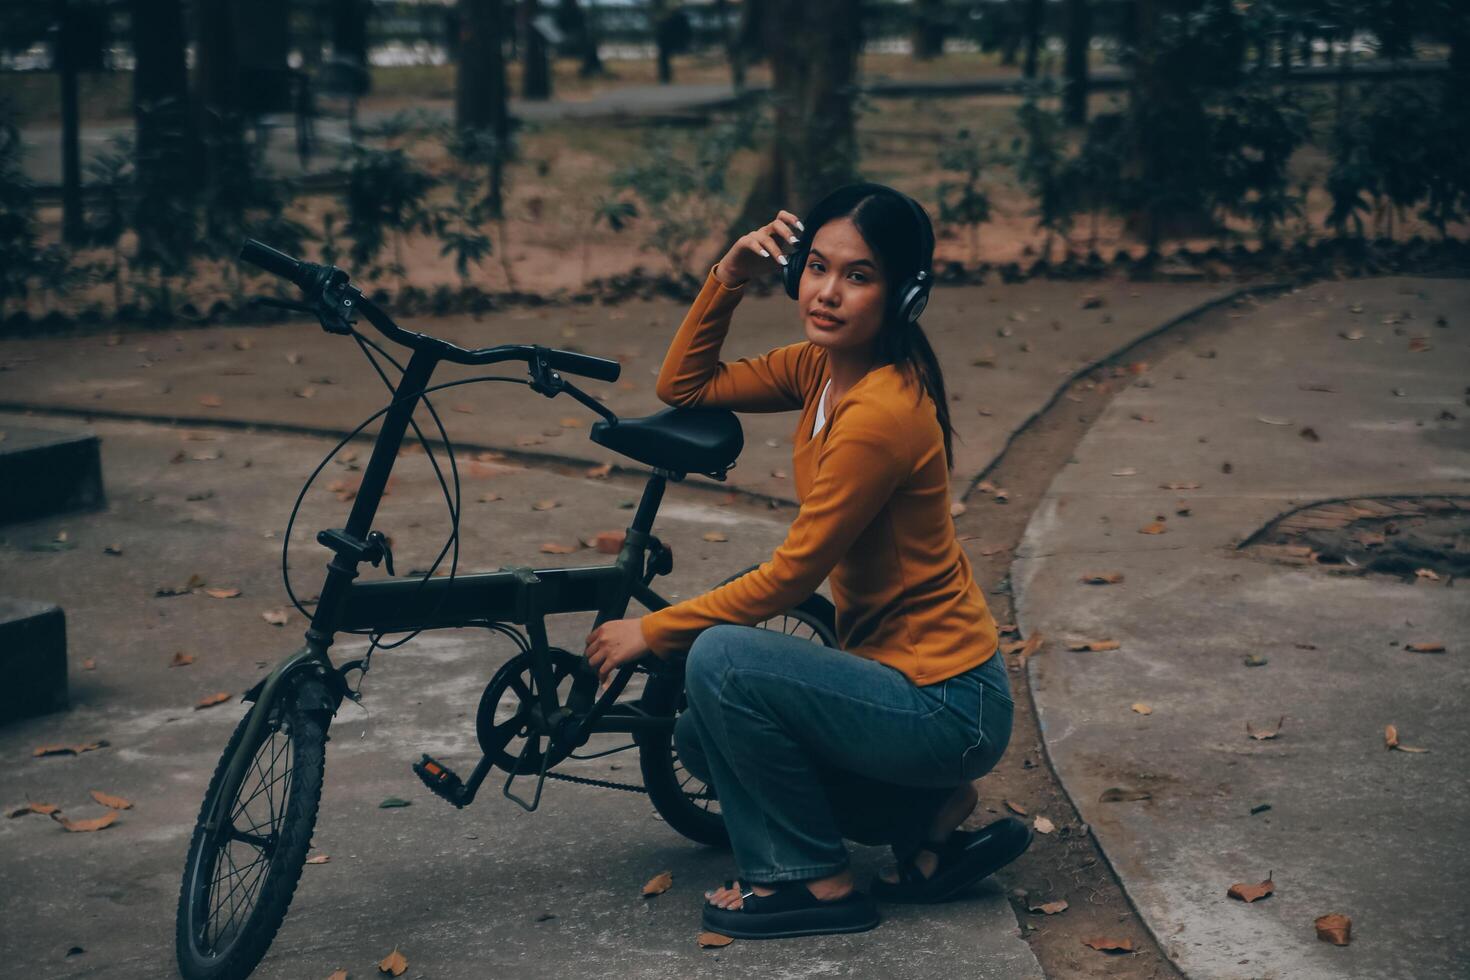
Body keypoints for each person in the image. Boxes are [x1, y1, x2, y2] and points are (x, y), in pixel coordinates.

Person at [583, 182, 1029, 939]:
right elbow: (684, 386)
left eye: (858, 276)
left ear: (904, 295)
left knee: (719, 660)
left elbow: (790, 578)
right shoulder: (823, 371)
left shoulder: (880, 414)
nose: (827, 293)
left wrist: (651, 632)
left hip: (946, 702)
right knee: (699, 736)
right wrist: (726, 275)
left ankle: (812, 881)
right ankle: (922, 817)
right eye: (816, 268)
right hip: (902, 685)